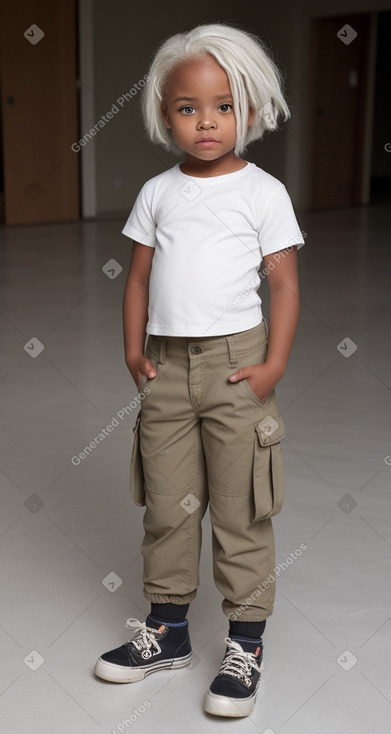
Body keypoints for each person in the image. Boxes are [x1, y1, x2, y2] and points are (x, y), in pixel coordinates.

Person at [95, 22, 305, 718]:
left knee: (242, 510)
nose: (206, 121)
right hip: (167, 369)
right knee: (167, 505)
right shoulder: (158, 192)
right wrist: (134, 352)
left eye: (223, 106)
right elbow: (136, 280)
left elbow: (282, 284)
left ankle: (245, 644)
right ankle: (167, 632)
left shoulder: (262, 192)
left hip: (236, 365)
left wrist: (272, 362)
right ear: (165, 115)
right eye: (188, 107)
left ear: (250, 111)